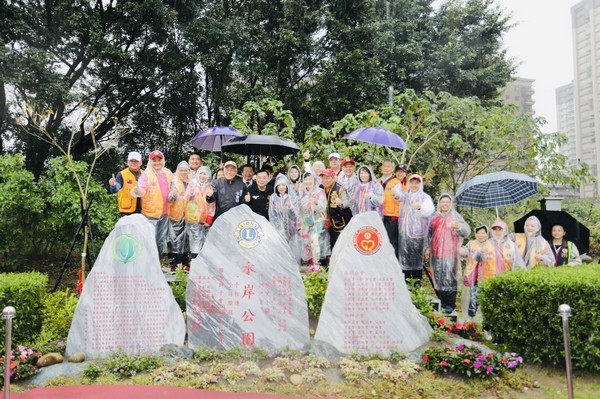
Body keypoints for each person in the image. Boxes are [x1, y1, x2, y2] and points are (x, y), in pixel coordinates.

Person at [462, 220, 524, 318]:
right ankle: (484, 326)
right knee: (487, 304)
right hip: (488, 280)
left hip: (505, 280)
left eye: (500, 229)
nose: (497, 232)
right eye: (495, 229)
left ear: (505, 230)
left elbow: (519, 264)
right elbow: (477, 258)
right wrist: (480, 252)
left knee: (503, 304)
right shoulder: (486, 244)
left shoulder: (511, 245)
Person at [424, 194, 470, 314]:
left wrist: (458, 226)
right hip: (437, 252)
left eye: (447, 202)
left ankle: (450, 304)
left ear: (451, 204)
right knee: (438, 277)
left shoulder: (455, 216)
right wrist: (427, 248)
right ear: (439, 203)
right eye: (442, 202)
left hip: (451, 252)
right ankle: (442, 301)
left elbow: (467, 231)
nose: (444, 204)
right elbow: (428, 234)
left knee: (450, 277)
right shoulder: (434, 216)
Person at [393, 174, 434, 284]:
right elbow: (398, 196)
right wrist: (395, 194)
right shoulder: (405, 195)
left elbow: (430, 211)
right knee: (405, 259)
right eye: (412, 182)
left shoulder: (425, 197)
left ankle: (417, 285)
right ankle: (405, 285)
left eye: (417, 183)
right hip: (404, 234)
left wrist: (420, 207)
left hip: (418, 235)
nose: (414, 185)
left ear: (420, 184)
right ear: (408, 183)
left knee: (416, 260)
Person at [131, 150, 173, 257]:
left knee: (160, 241)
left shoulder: (168, 172)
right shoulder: (146, 174)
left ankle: (157, 266)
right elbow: (141, 189)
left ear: (163, 161)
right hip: (150, 215)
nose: (157, 163)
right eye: (154, 161)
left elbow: (174, 187)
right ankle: (148, 265)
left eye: (159, 160)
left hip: (164, 213)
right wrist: (137, 191)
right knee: (149, 241)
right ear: (150, 161)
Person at [297, 172, 329, 268]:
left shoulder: (319, 191)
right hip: (306, 222)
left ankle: (316, 264)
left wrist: (316, 202)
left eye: (310, 179)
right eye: (306, 179)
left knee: (314, 239)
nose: (308, 181)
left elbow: (323, 207)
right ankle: (311, 264)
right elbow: (299, 212)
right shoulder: (301, 193)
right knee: (306, 241)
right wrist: (300, 227)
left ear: (314, 180)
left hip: (318, 220)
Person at [269, 174, 302, 263]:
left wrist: (290, 206)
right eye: (279, 185)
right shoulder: (273, 197)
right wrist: (278, 228)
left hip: (292, 230)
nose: (281, 187)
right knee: (280, 251)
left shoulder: (293, 197)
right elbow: (272, 214)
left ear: (287, 186)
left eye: (283, 185)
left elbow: (296, 215)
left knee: (292, 252)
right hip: (278, 230)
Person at [320, 168, 352, 254]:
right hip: (324, 223)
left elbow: (347, 203)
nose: (325, 180)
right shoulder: (320, 188)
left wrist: (341, 203)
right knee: (327, 245)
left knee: (339, 245)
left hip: (338, 223)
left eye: (327, 178)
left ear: (333, 178)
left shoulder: (340, 189)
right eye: (323, 178)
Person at [185, 166, 214, 261]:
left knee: (204, 241)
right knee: (194, 241)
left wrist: (209, 220)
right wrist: (190, 193)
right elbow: (185, 199)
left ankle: (202, 263)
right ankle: (195, 262)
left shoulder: (210, 186)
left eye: (204, 174)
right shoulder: (192, 184)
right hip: (192, 219)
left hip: (204, 220)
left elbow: (212, 205)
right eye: (200, 173)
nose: (202, 176)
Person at [167, 161, 191, 271]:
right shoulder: (173, 182)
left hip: (188, 216)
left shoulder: (191, 182)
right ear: (177, 171)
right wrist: (172, 195)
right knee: (173, 240)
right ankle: (173, 264)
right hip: (174, 217)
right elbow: (168, 198)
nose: (183, 172)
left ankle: (184, 263)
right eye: (181, 170)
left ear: (188, 171)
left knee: (185, 241)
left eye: (185, 170)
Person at [108, 151, 143, 216]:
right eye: (131, 161)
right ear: (127, 162)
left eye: (136, 161)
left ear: (141, 162)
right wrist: (113, 185)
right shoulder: (122, 174)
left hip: (143, 211)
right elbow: (116, 188)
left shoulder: (145, 174)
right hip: (127, 212)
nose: (133, 163)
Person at [378, 159, 401, 257]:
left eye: (388, 166)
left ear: (392, 169)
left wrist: (396, 195)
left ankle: (393, 266)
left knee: (391, 241)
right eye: (384, 166)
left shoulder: (396, 182)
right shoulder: (378, 181)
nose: (386, 168)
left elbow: (400, 196)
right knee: (380, 240)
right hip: (379, 215)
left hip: (391, 215)